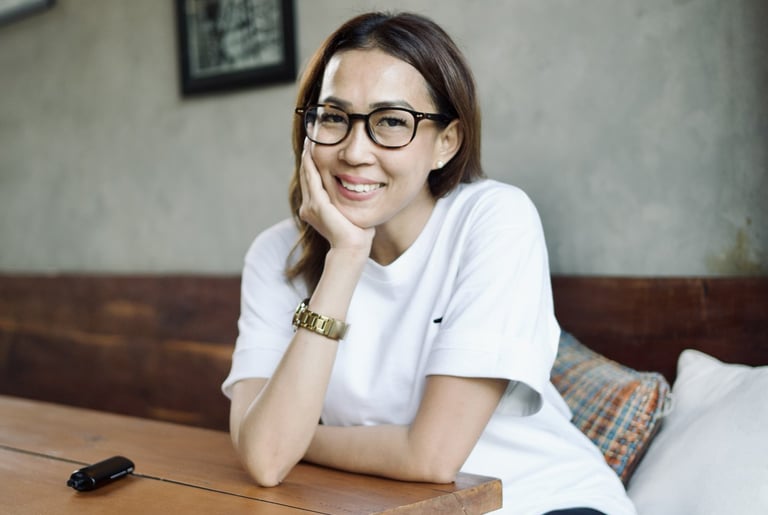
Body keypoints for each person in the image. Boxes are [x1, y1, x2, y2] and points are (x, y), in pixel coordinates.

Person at [222, 11, 636, 515]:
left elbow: (432, 456)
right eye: (333, 116)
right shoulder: (275, 255)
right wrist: (347, 257)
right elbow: (266, 461)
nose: (355, 151)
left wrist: (292, 439)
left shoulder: (494, 219)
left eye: (391, 122)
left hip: (546, 502)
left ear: (446, 142)